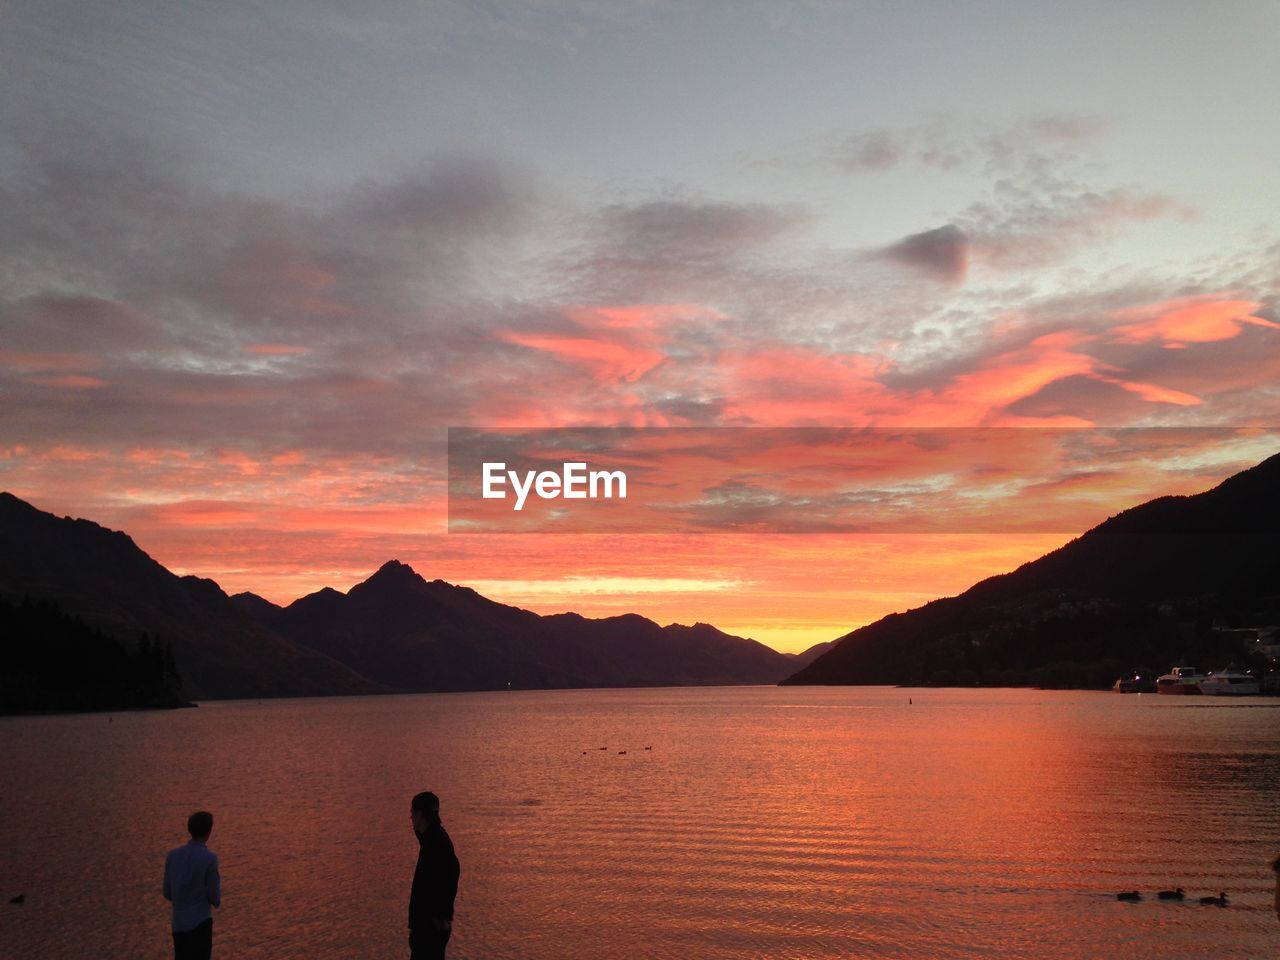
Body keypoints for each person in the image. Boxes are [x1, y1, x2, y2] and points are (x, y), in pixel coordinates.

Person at [162, 810, 221, 960]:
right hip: (200, 923)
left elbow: (167, 892)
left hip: (179, 925)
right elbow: (214, 897)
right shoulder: (209, 859)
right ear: (209, 831)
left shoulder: (173, 856)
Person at [409, 791, 460, 960]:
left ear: (419, 814)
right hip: (427, 926)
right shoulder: (432, 836)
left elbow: (453, 871)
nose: (410, 818)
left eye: (412, 813)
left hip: (429, 928)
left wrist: (441, 915)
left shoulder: (436, 842)